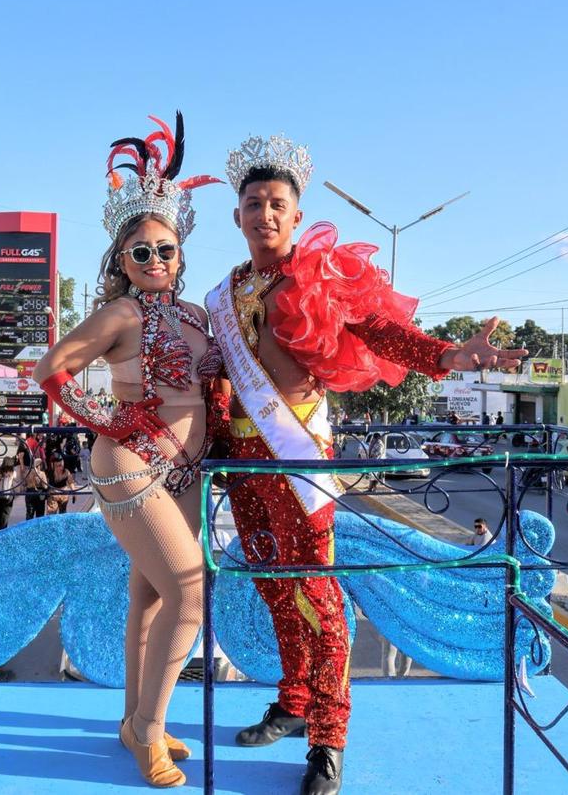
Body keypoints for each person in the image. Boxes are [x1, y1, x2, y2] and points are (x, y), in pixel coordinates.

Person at [206, 133, 527, 795]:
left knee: (316, 593)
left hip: (296, 453)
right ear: (236, 217)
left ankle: (329, 738)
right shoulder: (227, 290)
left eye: (276, 204)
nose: (264, 214)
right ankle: (294, 704)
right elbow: (219, 374)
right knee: (271, 584)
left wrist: (448, 357)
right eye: (253, 203)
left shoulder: (317, 273)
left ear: (296, 216)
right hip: (240, 457)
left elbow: (378, 330)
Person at [34, 112, 226, 789]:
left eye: (164, 250)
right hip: (134, 464)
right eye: (139, 251)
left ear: (180, 254)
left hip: (189, 475)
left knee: (150, 598)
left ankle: (133, 719)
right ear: (121, 260)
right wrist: (107, 422)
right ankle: (149, 732)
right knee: (191, 592)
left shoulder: (198, 317)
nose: (153, 261)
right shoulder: (118, 315)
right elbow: (50, 368)